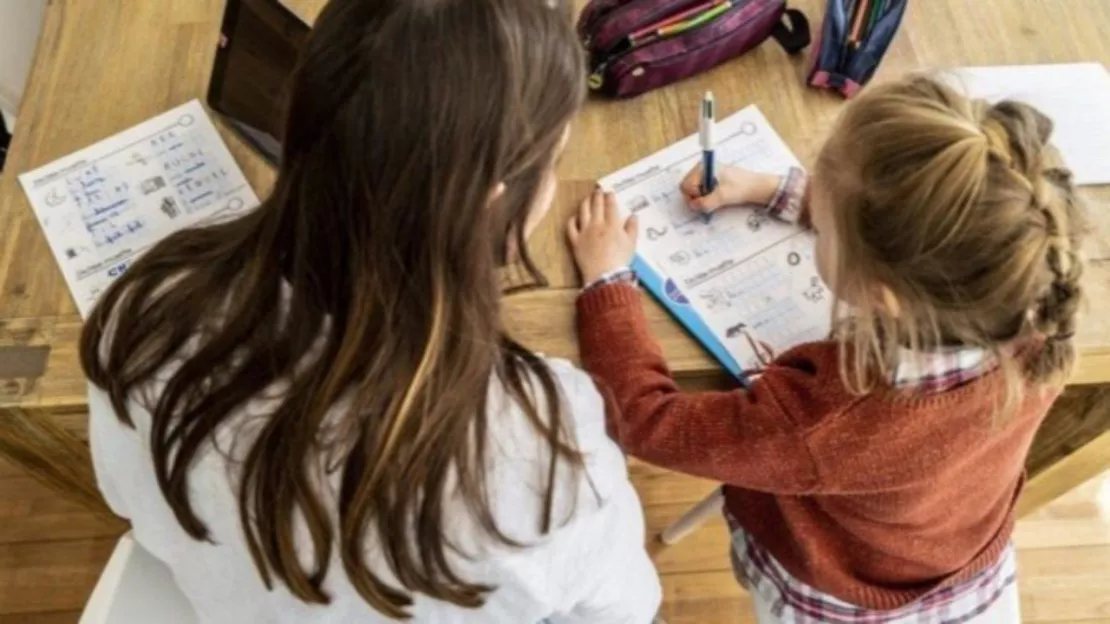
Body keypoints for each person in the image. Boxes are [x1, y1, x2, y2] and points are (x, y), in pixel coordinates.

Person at [80, 0, 660, 622]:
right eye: (552, 162)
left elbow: (130, 501)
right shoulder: (544, 443)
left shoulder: (148, 305)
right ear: (487, 201)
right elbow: (622, 611)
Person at [567, 75, 1085, 622]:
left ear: (879, 296)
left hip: (839, 595)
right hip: (957, 564)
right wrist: (770, 188)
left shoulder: (826, 422)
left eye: (830, 218)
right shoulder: (1037, 305)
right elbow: (907, 227)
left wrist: (607, 281)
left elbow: (647, 421)